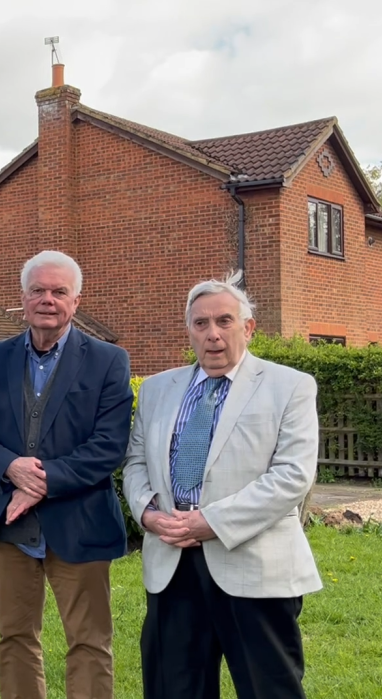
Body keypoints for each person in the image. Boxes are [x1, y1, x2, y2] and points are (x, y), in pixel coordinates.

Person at [121, 272, 322, 699]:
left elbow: (292, 476)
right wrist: (149, 514)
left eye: (224, 321)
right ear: (189, 330)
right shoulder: (157, 389)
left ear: (248, 327)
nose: (213, 334)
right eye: (201, 324)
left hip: (253, 564)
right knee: (172, 688)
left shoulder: (290, 387)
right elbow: (136, 461)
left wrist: (208, 522)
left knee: (269, 689)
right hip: (172, 564)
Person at [0, 250, 134, 699]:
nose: (48, 299)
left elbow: (109, 445)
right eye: (38, 290)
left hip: (80, 523)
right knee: (15, 639)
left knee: (89, 642)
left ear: (76, 300)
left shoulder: (108, 361)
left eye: (59, 291)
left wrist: (41, 482)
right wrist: (9, 467)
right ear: (21, 298)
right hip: (11, 527)